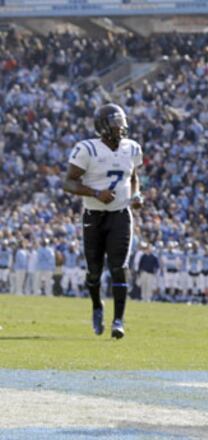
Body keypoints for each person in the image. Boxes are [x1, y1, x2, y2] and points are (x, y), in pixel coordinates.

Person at [63, 103, 143, 339]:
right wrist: (96, 193)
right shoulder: (87, 149)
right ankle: (97, 305)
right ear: (102, 126)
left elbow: (133, 177)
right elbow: (68, 183)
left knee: (119, 268)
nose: (120, 128)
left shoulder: (132, 148)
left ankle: (118, 320)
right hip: (93, 215)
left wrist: (136, 194)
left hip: (120, 215)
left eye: (121, 122)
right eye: (115, 123)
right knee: (94, 271)